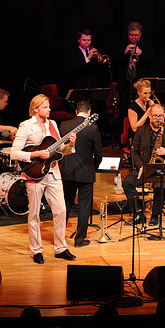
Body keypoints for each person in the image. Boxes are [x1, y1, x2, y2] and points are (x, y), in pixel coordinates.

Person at [10, 94, 77, 263]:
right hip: (34, 173)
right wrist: (36, 153)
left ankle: (61, 248)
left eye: (49, 107)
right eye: (45, 107)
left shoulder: (53, 124)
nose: (49, 109)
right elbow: (14, 153)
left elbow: (59, 151)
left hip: (53, 172)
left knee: (61, 211)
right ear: (36, 109)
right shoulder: (25, 126)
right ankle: (36, 250)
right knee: (34, 214)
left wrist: (70, 144)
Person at [122, 103, 165, 226]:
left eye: (160, 116)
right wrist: (141, 166)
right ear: (149, 115)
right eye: (155, 116)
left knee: (159, 186)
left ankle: (155, 215)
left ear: (164, 116)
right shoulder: (141, 130)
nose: (157, 118)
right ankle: (138, 213)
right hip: (144, 168)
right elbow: (134, 152)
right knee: (127, 183)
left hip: (162, 169)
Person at [60, 101, 102, 248]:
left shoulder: (64, 125)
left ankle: (59, 239)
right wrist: (93, 167)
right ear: (89, 112)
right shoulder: (93, 128)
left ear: (76, 111)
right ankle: (79, 240)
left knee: (65, 204)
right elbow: (98, 154)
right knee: (84, 206)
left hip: (67, 171)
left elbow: (60, 149)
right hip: (85, 172)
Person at [114, 21, 156, 109]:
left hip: (140, 83)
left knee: (139, 109)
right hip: (125, 83)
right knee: (124, 110)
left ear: (140, 33)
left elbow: (152, 61)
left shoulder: (147, 44)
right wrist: (125, 52)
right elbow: (114, 60)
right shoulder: (121, 44)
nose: (133, 37)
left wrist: (142, 54)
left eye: (136, 35)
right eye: (131, 35)